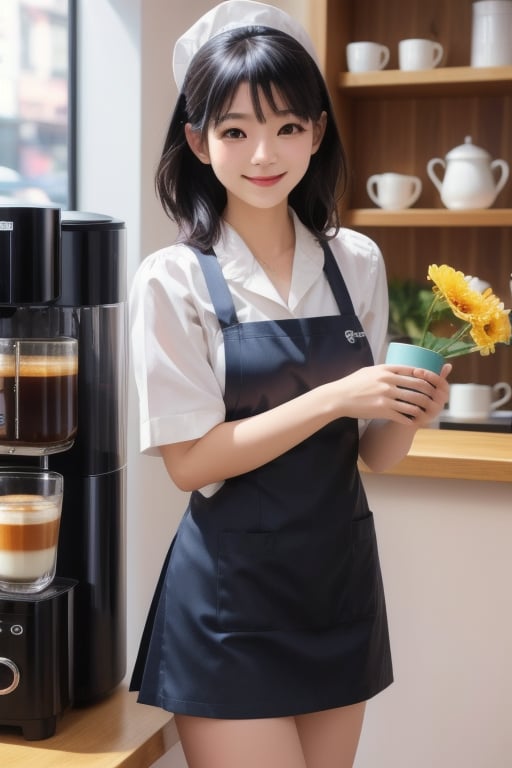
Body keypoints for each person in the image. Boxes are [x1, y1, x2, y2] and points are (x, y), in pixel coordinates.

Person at [129, 2, 451, 767]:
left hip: (336, 589)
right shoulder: (172, 281)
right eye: (235, 129)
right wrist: (339, 395)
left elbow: (377, 457)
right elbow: (192, 463)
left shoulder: (357, 263)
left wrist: (410, 408)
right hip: (228, 607)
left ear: (316, 130)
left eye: (286, 127)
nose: (263, 153)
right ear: (198, 141)